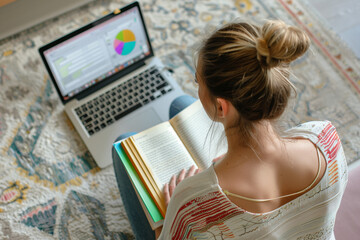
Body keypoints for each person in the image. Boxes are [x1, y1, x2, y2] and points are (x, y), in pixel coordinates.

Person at [113, 19, 348, 240]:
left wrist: (171, 211)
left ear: (221, 106)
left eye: (198, 81)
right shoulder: (326, 138)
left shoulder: (191, 202)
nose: (197, 88)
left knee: (124, 142)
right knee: (181, 105)